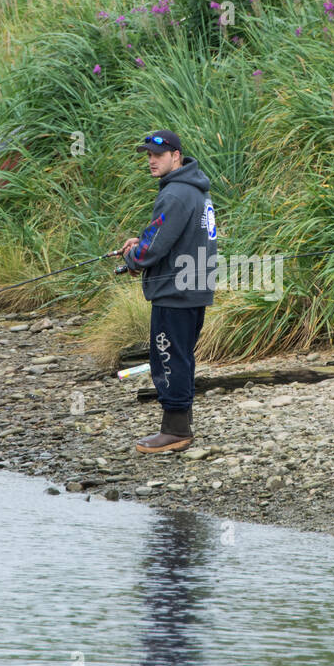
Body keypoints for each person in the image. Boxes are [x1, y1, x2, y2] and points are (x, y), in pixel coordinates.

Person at [121, 130, 217, 453]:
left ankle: (174, 431)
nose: (151, 161)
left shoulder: (175, 194)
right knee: (182, 356)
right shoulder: (196, 191)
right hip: (195, 289)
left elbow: (154, 247)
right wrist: (142, 242)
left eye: (157, 155)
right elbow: (169, 235)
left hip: (175, 292)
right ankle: (181, 425)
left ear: (176, 156)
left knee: (167, 358)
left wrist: (133, 255)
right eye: (148, 155)